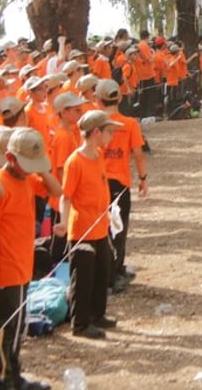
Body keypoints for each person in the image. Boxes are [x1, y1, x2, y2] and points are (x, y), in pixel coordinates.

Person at [0, 128, 62, 390]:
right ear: (10, 158)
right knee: (2, 330)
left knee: (16, 328)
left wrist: (42, 167)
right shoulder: (0, 185)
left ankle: (14, 374)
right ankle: (3, 379)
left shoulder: (26, 179)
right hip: (3, 270)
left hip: (22, 267)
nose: (28, 170)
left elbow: (56, 189)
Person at [61, 110, 122, 339]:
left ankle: (98, 314)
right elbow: (66, 196)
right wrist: (64, 223)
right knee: (83, 278)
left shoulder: (98, 155)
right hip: (82, 230)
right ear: (96, 132)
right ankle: (80, 323)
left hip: (100, 227)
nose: (111, 137)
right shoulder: (75, 162)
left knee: (100, 272)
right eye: (108, 132)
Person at [94, 79, 148, 293]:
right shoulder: (129, 124)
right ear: (119, 98)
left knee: (104, 227)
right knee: (119, 228)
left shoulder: (94, 123)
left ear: (98, 100)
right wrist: (143, 178)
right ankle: (113, 274)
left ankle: (114, 270)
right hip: (120, 182)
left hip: (99, 181)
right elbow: (137, 154)